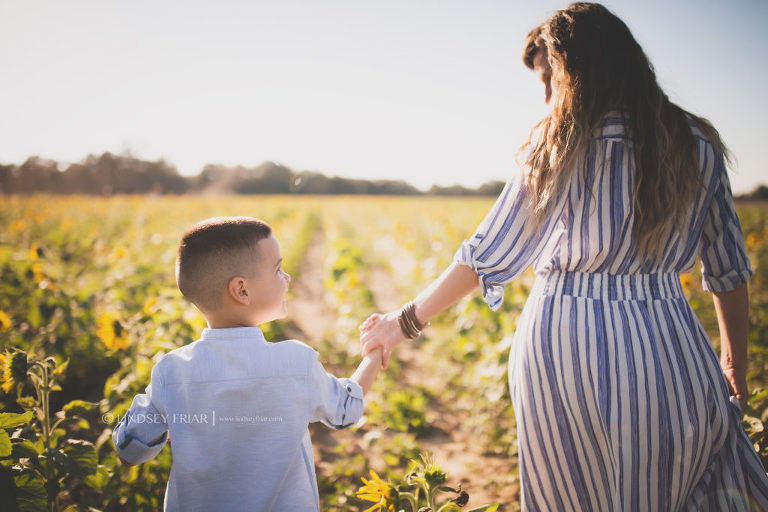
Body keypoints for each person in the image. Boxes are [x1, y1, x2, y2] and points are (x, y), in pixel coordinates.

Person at [360, 3, 768, 510]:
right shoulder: (698, 144)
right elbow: (728, 269)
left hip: (562, 349)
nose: (548, 98)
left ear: (576, 71)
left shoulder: (559, 144)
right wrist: (733, 365)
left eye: (549, 80)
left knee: (567, 496)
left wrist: (401, 324)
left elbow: (484, 257)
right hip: (670, 341)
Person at [113, 216, 383, 512]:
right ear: (241, 290)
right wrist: (374, 352)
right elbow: (345, 409)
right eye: (278, 269)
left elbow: (129, 450)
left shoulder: (172, 372)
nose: (288, 277)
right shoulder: (296, 364)